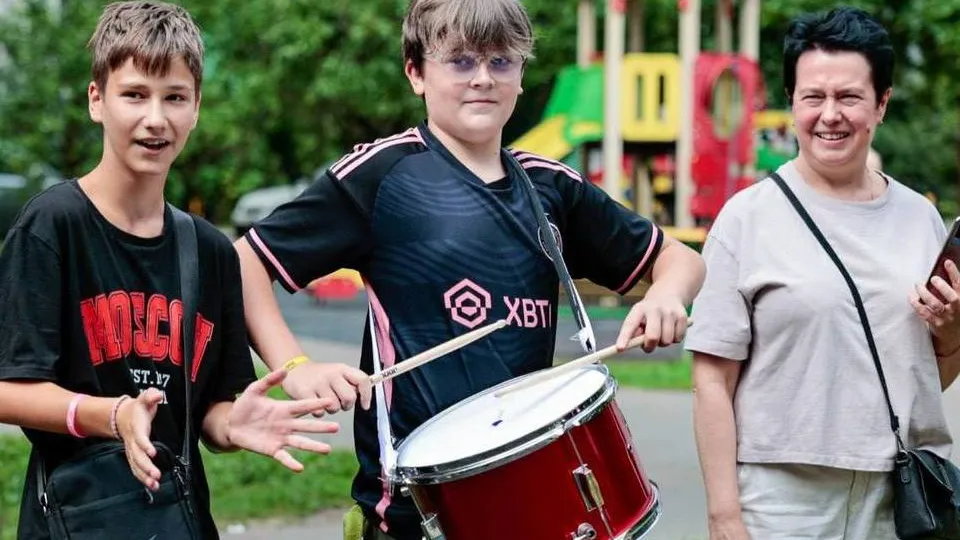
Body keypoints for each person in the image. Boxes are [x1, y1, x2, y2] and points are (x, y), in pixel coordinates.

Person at [234, 0, 705, 538]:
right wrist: (296, 368)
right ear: (416, 72)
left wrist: (666, 295)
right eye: (460, 61)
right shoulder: (382, 175)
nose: (483, 78)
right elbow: (244, 262)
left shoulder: (550, 187)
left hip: (536, 501)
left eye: (501, 62)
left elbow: (681, 260)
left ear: (522, 76)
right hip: (417, 513)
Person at [0, 2, 339, 539]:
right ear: (97, 100)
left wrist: (234, 424)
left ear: (196, 107)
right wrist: (111, 415)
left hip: (177, 521)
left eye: (175, 97)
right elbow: (9, 389)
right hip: (73, 519)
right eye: (134, 94)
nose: (156, 118)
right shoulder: (52, 225)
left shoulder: (209, 251)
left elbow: (212, 412)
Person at [687, 7, 959, 540]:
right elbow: (711, 381)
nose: (829, 114)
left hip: (899, 496)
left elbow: (921, 379)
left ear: (880, 104)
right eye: (813, 97)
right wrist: (724, 516)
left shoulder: (920, 219)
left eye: (849, 97)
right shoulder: (747, 219)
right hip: (782, 501)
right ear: (791, 103)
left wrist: (953, 333)